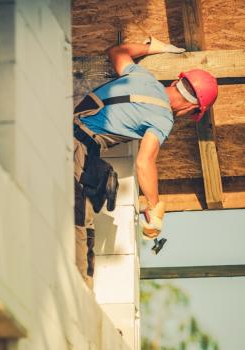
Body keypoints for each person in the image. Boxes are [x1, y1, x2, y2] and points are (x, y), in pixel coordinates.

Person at [74, 37, 218, 287]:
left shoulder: (143, 76)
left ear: (176, 82)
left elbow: (115, 50)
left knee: (82, 219)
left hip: (68, 131)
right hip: (76, 148)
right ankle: (78, 293)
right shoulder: (164, 119)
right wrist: (155, 209)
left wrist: (154, 47)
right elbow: (144, 162)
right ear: (191, 110)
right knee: (78, 225)